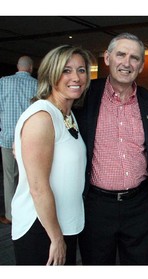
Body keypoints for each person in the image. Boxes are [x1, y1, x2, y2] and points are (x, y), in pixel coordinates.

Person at [75, 32, 148, 265]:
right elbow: (55, 108)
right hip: (96, 205)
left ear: (142, 65)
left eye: (134, 58)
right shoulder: (85, 96)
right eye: (121, 55)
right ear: (107, 58)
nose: (127, 63)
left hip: (140, 206)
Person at [11, 45, 91, 265]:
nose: (76, 77)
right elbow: (38, 188)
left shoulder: (67, 113)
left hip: (64, 224)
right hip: (42, 228)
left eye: (82, 70)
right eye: (66, 70)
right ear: (51, 74)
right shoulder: (42, 117)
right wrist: (56, 238)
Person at [0, 56, 37, 225]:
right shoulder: (36, 84)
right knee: (29, 175)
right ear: (30, 68)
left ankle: (10, 215)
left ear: (17, 66)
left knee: (9, 177)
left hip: (7, 136)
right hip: (28, 137)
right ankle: (29, 213)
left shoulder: (3, 82)